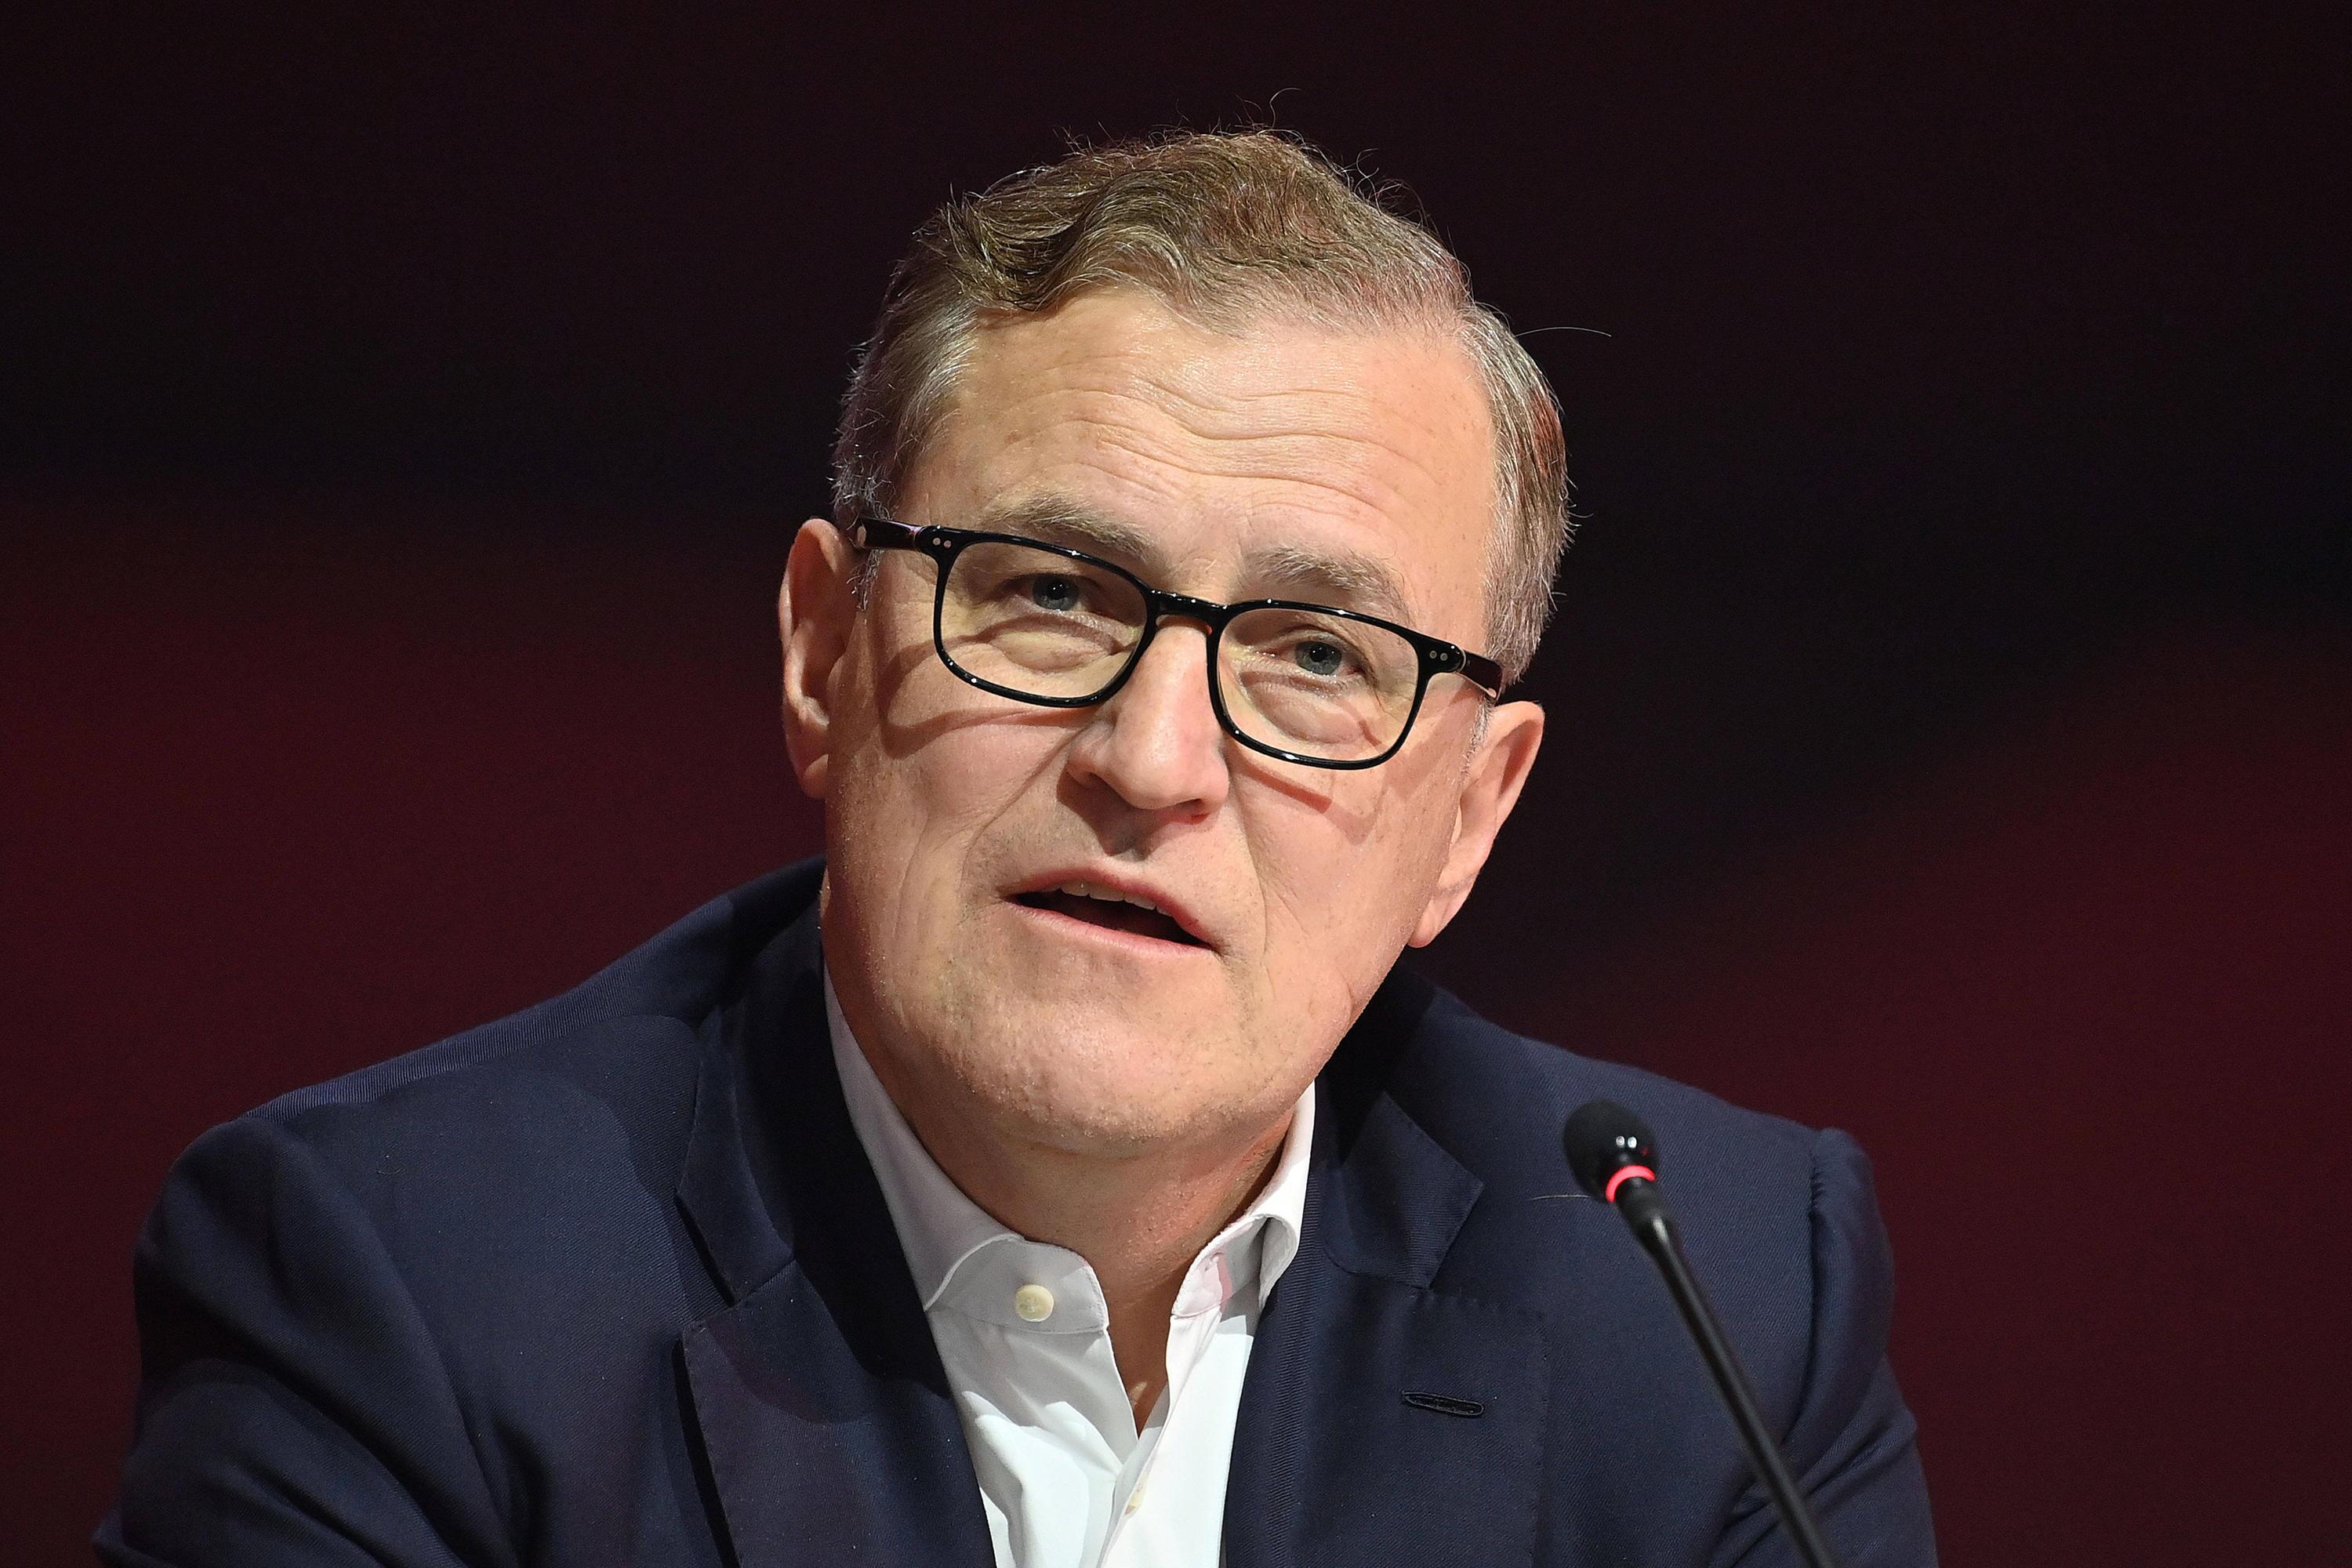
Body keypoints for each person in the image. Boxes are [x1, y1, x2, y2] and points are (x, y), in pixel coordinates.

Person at [99, 131, 1934, 1566]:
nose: (1154, 763)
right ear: (825, 655)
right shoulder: (403, 1288)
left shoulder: (1707, 1297)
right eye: (1053, 595)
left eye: (1317, 655)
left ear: (1469, 813)